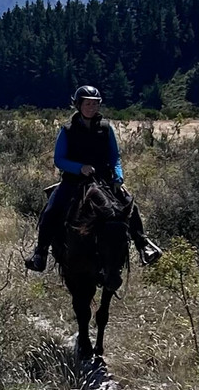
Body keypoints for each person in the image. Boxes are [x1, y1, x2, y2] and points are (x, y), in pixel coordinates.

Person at [25, 85, 162, 272]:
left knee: (129, 203)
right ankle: (40, 253)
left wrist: (118, 176)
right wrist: (79, 168)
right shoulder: (67, 130)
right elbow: (59, 159)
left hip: (103, 179)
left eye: (95, 104)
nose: (91, 107)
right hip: (74, 180)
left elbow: (115, 156)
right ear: (79, 105)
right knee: (51, 209)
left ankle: (142, 244)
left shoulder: (106, 128)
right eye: (87, 103)